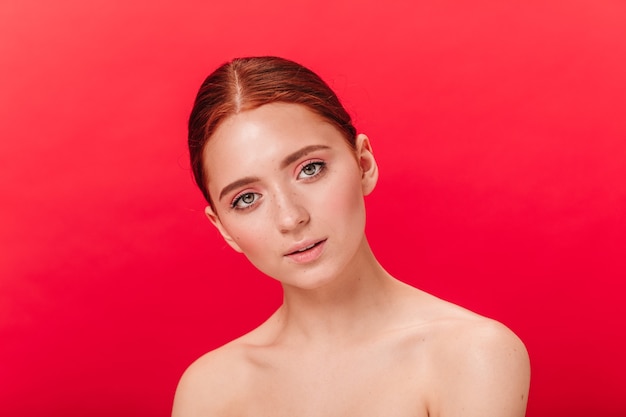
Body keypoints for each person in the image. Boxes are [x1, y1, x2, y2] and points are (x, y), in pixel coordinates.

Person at [172, 56, 530, 417]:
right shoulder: (208, 388)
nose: (291, 217)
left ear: (364, 164)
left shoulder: (472, 353)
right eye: (246, 198)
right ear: (223, 228)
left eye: (310, 169)